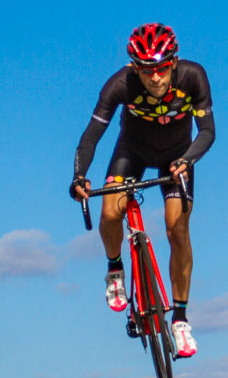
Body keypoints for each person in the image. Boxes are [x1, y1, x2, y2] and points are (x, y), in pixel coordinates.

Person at [70, 23, 215, 358]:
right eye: (147, 70)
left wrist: (188, 159)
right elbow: (92, 134)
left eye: (163, 69)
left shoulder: (194, 77)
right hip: (130, 154)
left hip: (177, 158)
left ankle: (179, 319)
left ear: (175, 63)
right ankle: (115, 269)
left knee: (177, 229)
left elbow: (207, 131)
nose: (155, 78)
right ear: (135, 68)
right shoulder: (120, 84)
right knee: (110, 212)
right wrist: (79, 176)